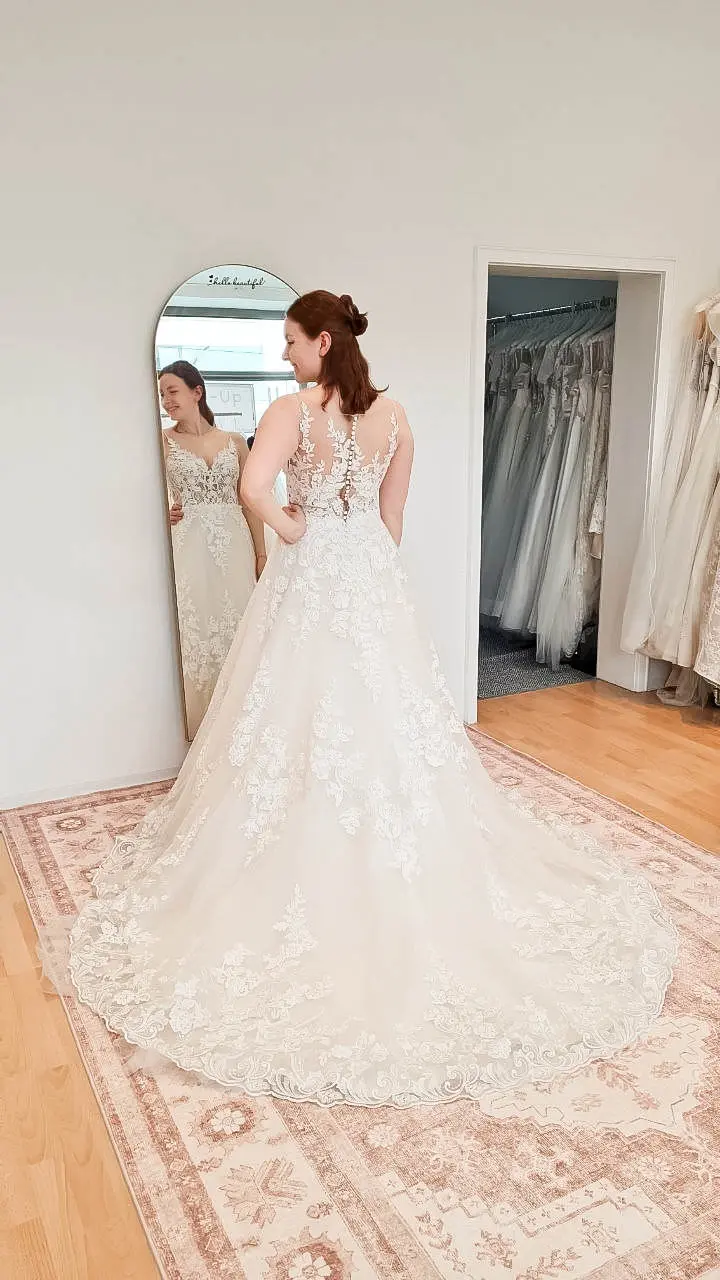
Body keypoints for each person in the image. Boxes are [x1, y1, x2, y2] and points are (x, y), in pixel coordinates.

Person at [63, 292, 677, 1108]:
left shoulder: (289, 412)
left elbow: (253, 488)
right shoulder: (395, 416)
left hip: (315, 576)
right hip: (371, 580)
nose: (284, 355)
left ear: (323, 341)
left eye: (289, 341)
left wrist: (297, 534)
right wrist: (361, 566)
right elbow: (392, 522)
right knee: (388, 712)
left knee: (295, 711)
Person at [159, 362, 267, 738]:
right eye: (162, 394)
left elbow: (250, 502)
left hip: (235, 544)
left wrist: (261, 554)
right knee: (198, 628)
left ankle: (246, 720)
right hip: (187, 546)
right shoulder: (161, 442)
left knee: (241, 623)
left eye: (172, 391)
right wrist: (164, 510)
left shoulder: (234, 442)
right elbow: (146, 495)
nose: (166, 400)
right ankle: (202, 725)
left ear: (196, 392)